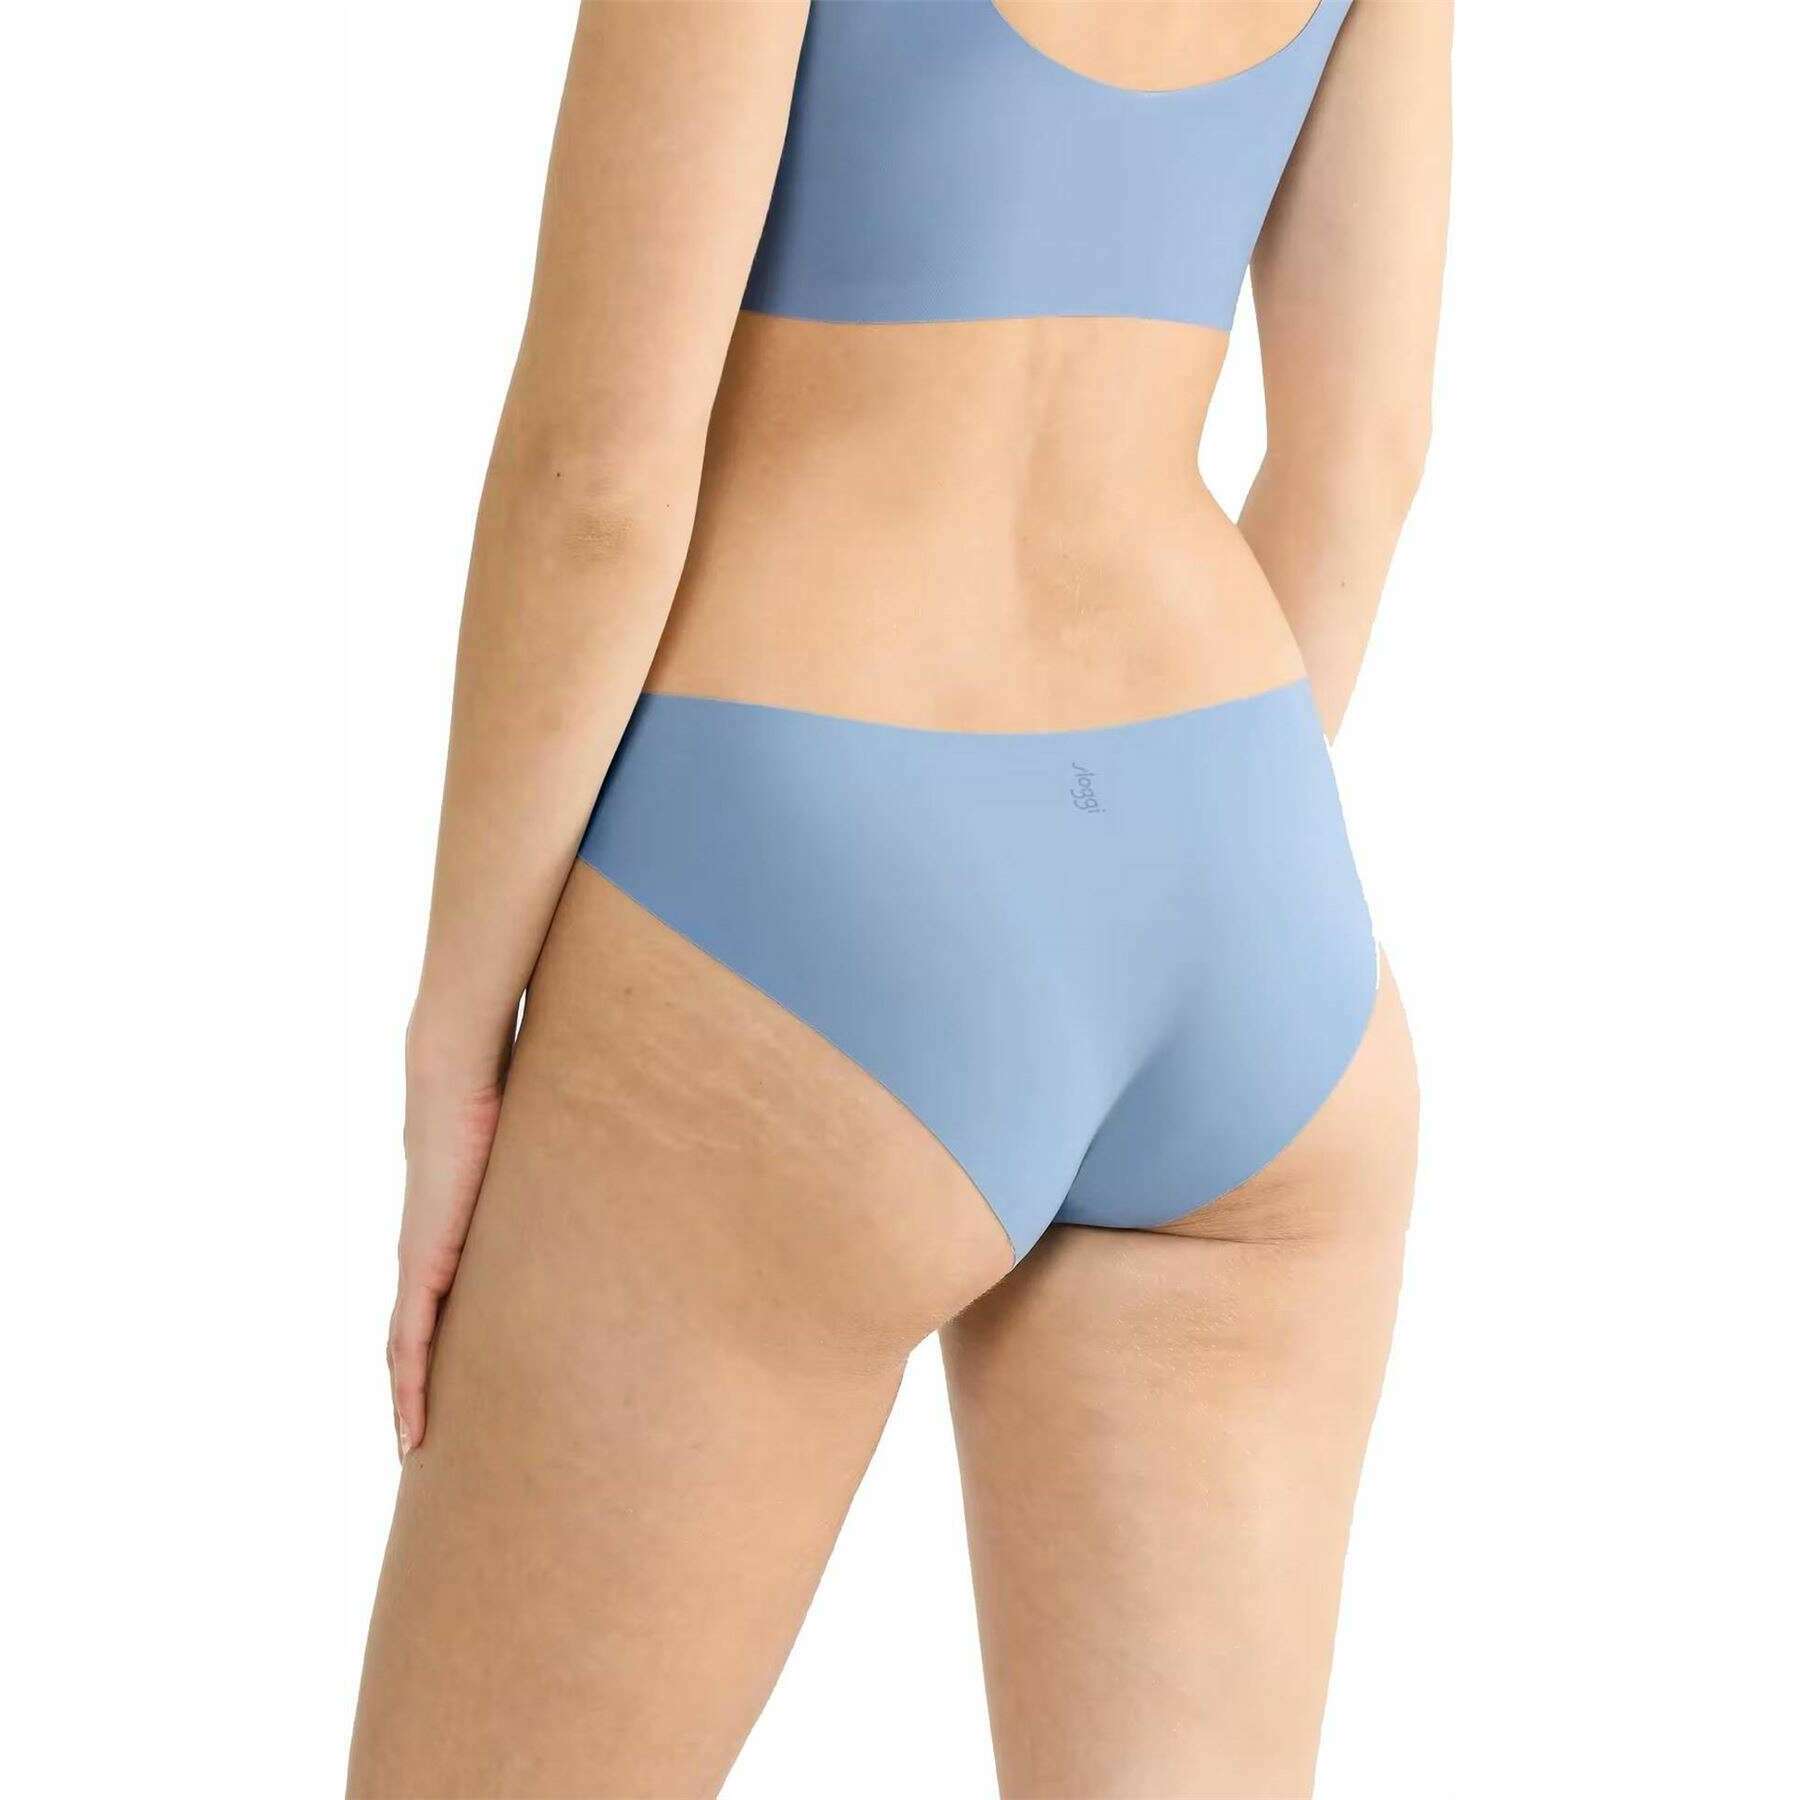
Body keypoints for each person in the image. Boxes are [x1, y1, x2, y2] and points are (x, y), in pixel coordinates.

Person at [348, 3, 1451, 1794]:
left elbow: (596, 481)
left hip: (804, 866)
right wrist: (1130, 877)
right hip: (1242, 890)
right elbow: (1364, 455)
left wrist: (456, 1033)